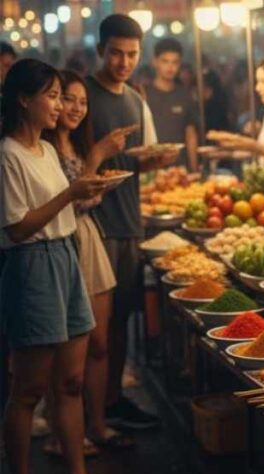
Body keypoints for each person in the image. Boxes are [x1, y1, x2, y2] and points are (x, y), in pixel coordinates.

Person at [2, 58, 126, 474]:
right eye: (52, 96)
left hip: (65, 258)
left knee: (71, 381)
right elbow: (17, 227)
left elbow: (62, 211)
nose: (60, 105)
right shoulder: (8, 154)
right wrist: (72, 194)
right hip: (32, 265)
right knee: (30, 388)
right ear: (23, 99)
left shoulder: (48, 152)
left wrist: (80, 192)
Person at [41, 69, 138, 457]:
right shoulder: (44, 149)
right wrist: (98, 156)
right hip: (64, 241)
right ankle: (61, 432)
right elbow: (70, 198)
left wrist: (95, 163)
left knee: (100, 342)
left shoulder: (76, 147)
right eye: (68, 99)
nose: (77, 108)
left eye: (83, 101)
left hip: (91, 238)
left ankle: (96, 423)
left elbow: (88, 194)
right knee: (64, 351)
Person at [87, 15, 175, 430]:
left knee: (121, 319)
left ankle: (113, 400)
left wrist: (158, 160)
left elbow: (144, 157)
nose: (124, 62)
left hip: (128, 221)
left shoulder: (137, 101)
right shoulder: (82, 95)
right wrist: (102, 152)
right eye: (117, 53)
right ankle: (90, 415)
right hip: (92, 226)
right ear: (100, 49)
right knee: (92, 333)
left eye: (132, 55)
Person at [144, 38, 199, 170]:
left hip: (180, 168)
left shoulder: (185, 96)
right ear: (155, 62)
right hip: (151, 168)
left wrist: (194, 168)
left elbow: (190, 135)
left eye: (175, 62)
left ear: (180, 64)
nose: (170, 67)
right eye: (165, 61)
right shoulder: (144, 95)